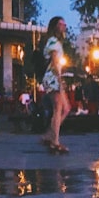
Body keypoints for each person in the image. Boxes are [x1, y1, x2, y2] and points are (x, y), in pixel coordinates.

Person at [39, 15, 70, 154]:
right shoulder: (52, 41)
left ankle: (50, 136)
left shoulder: (56, 42)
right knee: (59, 108)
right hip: (52, 77)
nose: (64, 26)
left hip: (54, 76)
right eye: (61, 24)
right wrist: (59, 79)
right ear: (56, 27)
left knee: (65, 108)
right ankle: (54, 141)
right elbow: (54, 62)